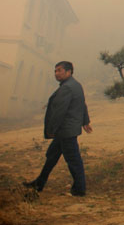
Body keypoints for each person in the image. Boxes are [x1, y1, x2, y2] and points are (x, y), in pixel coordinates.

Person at [24, 61, 92, 197]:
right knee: (51, 157)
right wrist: (85, 121)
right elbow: (82, 104)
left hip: (65, 131)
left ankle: (79, 189)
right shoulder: (75, 85)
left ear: (69, 72)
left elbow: (59, 112)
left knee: (73, 160)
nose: (56, 73)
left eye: (59, 70)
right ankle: (39, 183)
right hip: (66, 130)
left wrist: (51, 129)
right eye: (55, 71)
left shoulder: (67, 88)